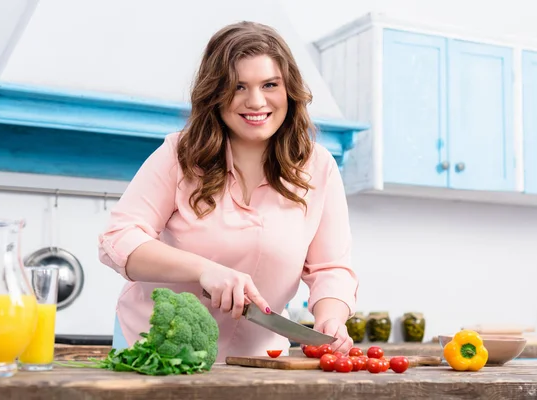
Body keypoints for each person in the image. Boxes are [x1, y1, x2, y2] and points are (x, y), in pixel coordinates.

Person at [98, 20, 359, 362]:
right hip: (156, 349)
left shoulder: (318, 166)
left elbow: (331, 269)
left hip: (259, 362)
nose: (255, 101)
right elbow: (118, 240)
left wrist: (331, 318)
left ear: (288, 90)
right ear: (215, 93)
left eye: (269, 84)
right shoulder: (179, 155)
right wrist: (204, 269)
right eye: (238, 87)